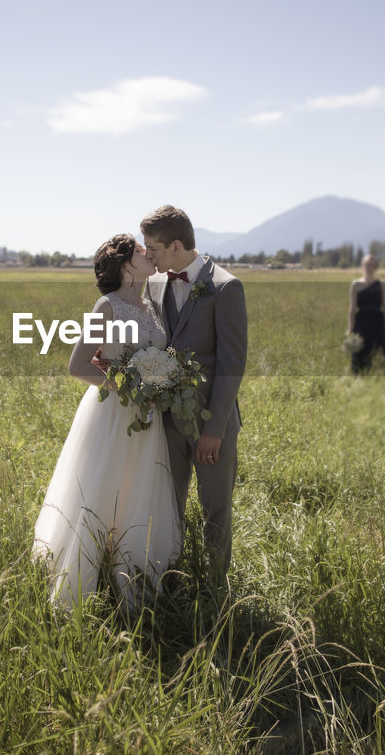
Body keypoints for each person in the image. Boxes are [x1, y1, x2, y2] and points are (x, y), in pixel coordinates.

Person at [33, 234, 182, 610]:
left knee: (137, 488)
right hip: (113, 411)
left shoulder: (151, 304)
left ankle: (136, 578)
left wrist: (161, 384)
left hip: (148, 415)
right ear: (124, 265)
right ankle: (80, 585)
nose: (149, 254)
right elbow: (78, 364)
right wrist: (128, 387)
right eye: (139, 251)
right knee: (103, 487)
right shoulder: (108, 306)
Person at [142, 205, 247, 583]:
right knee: (168, 504)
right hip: (167, 420)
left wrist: (214, 429)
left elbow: (233, 363)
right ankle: (171, 577)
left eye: (152, 247)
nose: (147, 254)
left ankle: (215, 587)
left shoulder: (226, 287)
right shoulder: (153, 284)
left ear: (174, 244)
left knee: (215, 508)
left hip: (211, 421)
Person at [348, 254, 385, 374]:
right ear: (362, 266)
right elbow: (352, 308)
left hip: (378, 321)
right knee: (357, 352)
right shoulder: (355, 284)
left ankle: (380, 378)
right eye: (367, 265)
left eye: (372, 265)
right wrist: (349, 329)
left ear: (376, 267)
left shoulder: (382, 284)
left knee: (381, 352)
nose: (369, 267)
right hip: (360, 322)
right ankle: (357, 378)